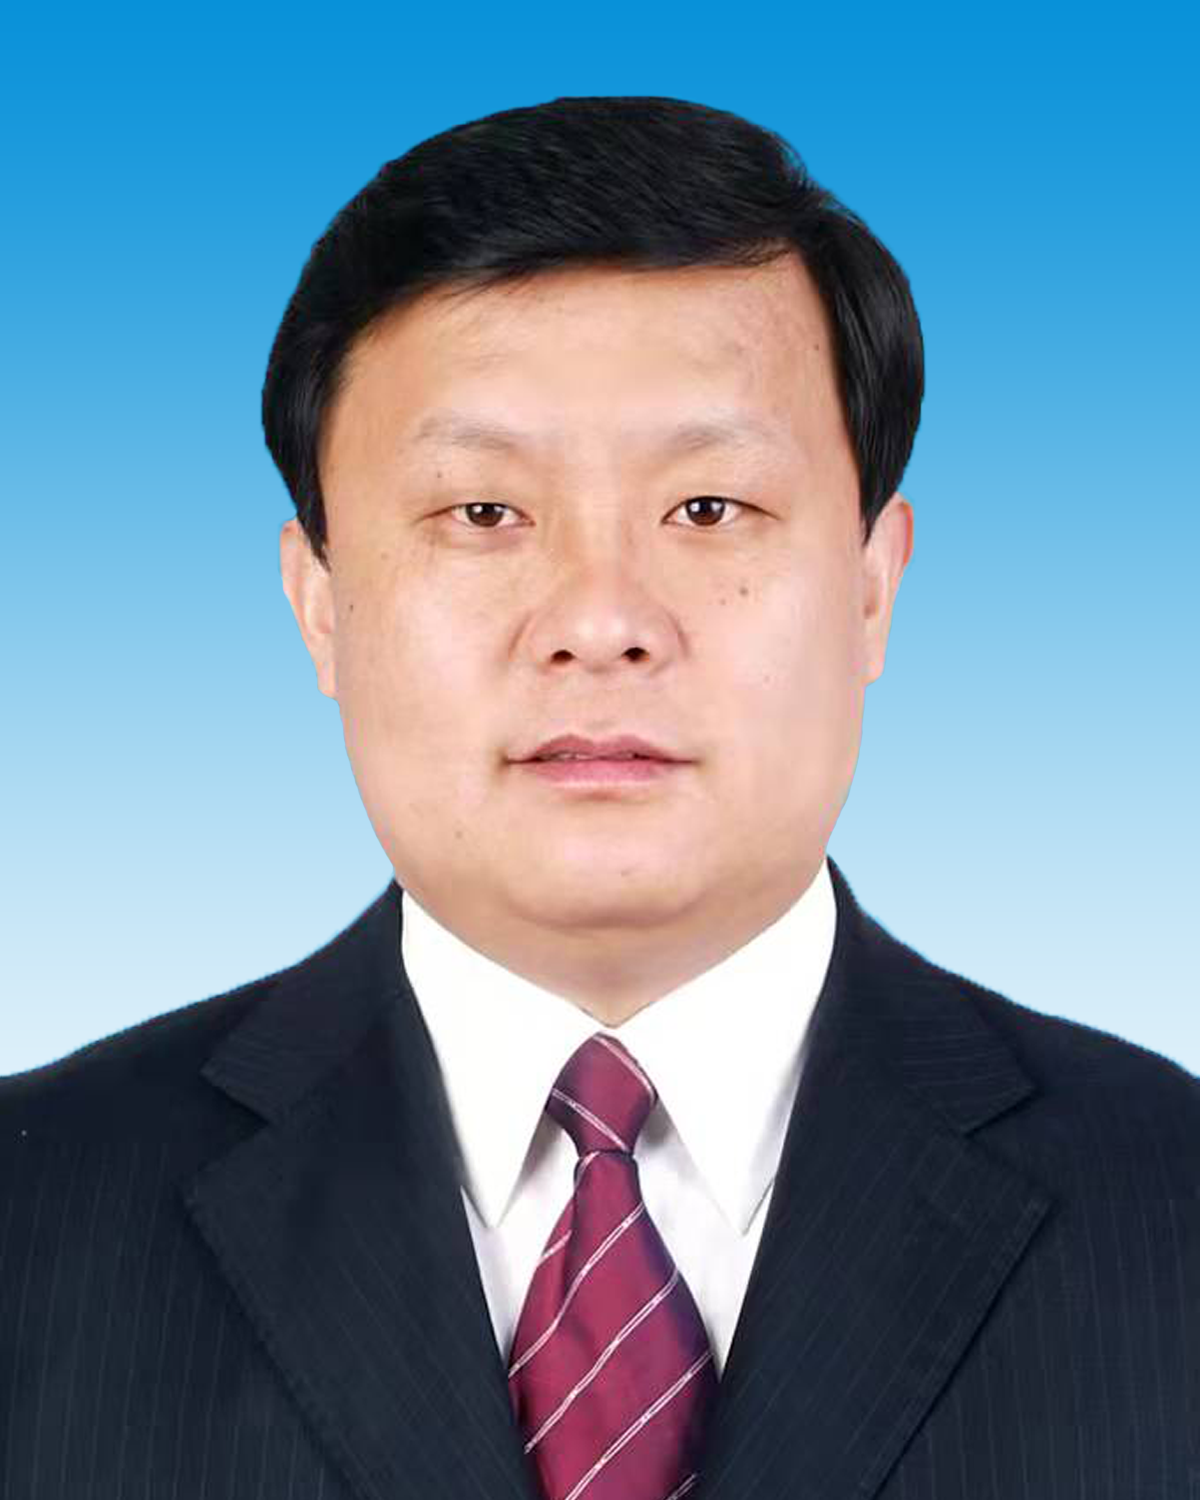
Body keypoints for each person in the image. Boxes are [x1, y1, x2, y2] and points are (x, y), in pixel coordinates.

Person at [1, 95, 1196, 1500]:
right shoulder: (34, 1212)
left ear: (873, 586)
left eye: (709, 509)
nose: (601, 622)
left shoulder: (1170, 1202)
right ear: (319, 604)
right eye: (483, 513)